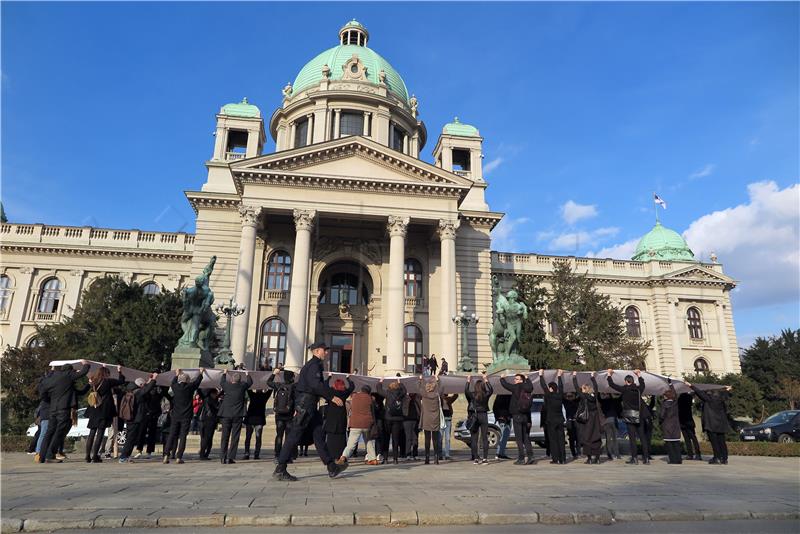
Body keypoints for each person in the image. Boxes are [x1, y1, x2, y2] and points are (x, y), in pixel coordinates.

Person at [272, 342, 348, 482]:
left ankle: (332, 467)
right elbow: (315, 385)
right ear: (316, 351)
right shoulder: (314, 365)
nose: (326, 353)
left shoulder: (313, 365)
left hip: (309, 404)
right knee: (294, 435)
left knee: (319, 435)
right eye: (324, 350)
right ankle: (280, 468)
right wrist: (331, 397)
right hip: (306, 405)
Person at [38, 361, 90, 464]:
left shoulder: (52, 378)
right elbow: (82, 373)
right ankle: (50, 455)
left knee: (50, 432)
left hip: (53, 409)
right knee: (60, 432)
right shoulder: (67, 375)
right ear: (70, 370)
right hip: (63, 409)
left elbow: (43, 392)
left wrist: (49, 399)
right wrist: (86, 364)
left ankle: (41, 456)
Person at [607, 369, 649, 465]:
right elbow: (643, 384)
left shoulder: (625, 389)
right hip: (640, 416)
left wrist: (609, 375)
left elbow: (612, 384)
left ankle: (634, 458)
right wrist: (639, 374)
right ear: (633, 381)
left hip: (630, 416)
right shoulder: (639, 389)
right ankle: (646, 458)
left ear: (626, 382)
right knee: (642, 437)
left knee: (632, 438)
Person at [84, 365, 126, 463]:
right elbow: (121, 381)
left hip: (94, 409)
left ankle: (87, 456)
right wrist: (120, 371)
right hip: (103, 410)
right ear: (106, 374)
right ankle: (95, 456)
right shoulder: (108, 381)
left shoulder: (93, 382)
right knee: (100, 433)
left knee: (92, 433)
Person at [163, 368, 204, 464]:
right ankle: (179, 457)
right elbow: (197, 382)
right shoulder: (190, 387)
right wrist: (201, 372)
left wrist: (177, 374)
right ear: (187, 381)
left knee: (172, 435)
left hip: (176, 415)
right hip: (186, 415)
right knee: (182, 436)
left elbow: (173, 381)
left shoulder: (175, 387)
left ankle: (166, 455)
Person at [686, 382, 733, 465]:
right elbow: (725, 394)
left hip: (711, 424)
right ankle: (724, 458)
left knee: (714, 442)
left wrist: (691, 385)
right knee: (722, 441)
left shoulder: (708, 399)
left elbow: (699, 392)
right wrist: (727, 389)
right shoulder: (721, 399)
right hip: (721, 424)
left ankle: (717, 457)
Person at [119, 374, 159, 463]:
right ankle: (123, 457)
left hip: (130, 418)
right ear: (141, 385)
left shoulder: (131, 391)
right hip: (135, 419)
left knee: (131, 438)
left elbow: (145, 388)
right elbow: (147, 389)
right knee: (130, 439)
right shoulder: (138, 393)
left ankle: (126, 456)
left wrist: (149, 380)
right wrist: (154, 379)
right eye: (143, 385)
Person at [218, 369, 253, 464]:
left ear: (231, 380)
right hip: (238, 414)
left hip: (226, 414)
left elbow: (222, 382)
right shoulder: (242, 386)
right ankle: (230, 457)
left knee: (224, 436)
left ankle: (222, 457)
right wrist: (247, 374)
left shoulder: (227, 385)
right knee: (235, 436)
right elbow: (250, 382)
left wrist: (225, 373)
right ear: (240, 380)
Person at [338, 384, 378, 465]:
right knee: (368, 442)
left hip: (355, 423)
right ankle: (373, 459)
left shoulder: (354, 397)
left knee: (351, 444)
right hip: (367, 424)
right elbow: (373, 412)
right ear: (369, 392)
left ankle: (343, 457)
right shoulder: (370, 398)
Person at [500, 373, 535, 465]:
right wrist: (527, 378)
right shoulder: (527, 388)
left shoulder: (517, 387)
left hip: (517, 415)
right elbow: (531, 386)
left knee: (519, 438)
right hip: (525, 416)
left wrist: (502, 378)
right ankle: (530, 456)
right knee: (526, 437)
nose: (514, 380)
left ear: (520, 380)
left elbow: (505, 385)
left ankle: (521, 458)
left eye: (516, 379)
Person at [572, 371, 603, 464]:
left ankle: (589, 458)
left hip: (587, 419)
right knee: (596, 438)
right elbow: (596, 388)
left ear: (584, 389)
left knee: (586, 438)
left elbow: (576, 388)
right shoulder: (594, 396)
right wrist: (593, 378)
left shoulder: (583, 396)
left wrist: (574, 377)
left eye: (582, 389)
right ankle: (597, 458)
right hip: (595, 419)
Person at [267, 368, 296, 463]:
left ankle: (277, 455)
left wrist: (274, 374)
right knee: (288, 436)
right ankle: (288, 456)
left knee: (279, 435)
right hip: (289, 415)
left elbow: (268, 382)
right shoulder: (293, 387)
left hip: (279, 415)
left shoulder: (279, 385)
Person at [465, 372, 494, 464]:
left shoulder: (473, 395)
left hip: (475, 415)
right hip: (483, 415)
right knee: (484, 437)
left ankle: (476, 458)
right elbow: (491, 390)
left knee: (474, 438)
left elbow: (466, 390)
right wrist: (486, 380)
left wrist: (468, 381)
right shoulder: (485, 395)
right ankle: (485, 458)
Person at [324, 377, 355, 461]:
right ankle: (340, 455)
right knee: (341, 438)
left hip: (331, 418)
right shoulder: (344, 393)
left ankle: (331, 455)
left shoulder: (331, 392)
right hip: (341, 418)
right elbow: (352, 387)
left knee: (331, 437)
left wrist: (328, 378)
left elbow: (325, 386)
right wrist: (348, 379)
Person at [377, 377, 406, 464]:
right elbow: (404, 390)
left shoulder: (388, 393)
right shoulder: (400, 394)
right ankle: (395, 459)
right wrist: (400, 383)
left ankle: (385, 459)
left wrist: (380, 382)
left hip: (388, 418)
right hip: (398, 419)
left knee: (386, 438)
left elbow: (379, 390)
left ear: (389, 387)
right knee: (395, 439)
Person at [540, 369, 566, 464]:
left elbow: (543, 386)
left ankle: (555, 459)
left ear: (551, 388)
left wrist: (540, 375)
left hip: (551, 421)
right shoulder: (560, 395)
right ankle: (563, 459)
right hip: (560, 420)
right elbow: (561, 387)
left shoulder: (548, 395)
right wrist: (559, 376)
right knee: (561, 439)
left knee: (553, 440)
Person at [135, 384, 166, 459]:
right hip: (148, 416)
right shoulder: (149, 395)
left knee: (146, 434)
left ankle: (142, 450)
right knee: (145, 434)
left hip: (150, 416)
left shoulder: (153, 395)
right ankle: (145, 451)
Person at [418, 376, 442, 465]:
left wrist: (420, 380)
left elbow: (419, 388)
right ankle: (436, 458)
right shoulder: (436, 395)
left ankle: (427, 458)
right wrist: (437, 381)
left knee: (427, 439)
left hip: (426, 419)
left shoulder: (424, 395)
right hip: (435, 419)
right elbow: (440, 388)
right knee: (435, 439)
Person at [243, 386, 272, 460]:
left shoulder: (252, 395)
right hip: (259, 420)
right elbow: (270, 390)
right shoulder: (264, 396)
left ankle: (247, 453)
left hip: (250, 419)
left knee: (248, 437)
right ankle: (256, 454)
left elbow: (248, 387)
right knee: (258, 438)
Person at [660, 381, 682, 464]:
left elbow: (662, 415)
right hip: (676, 425)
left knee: (669, 444)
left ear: (665, 396)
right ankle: (679, 459)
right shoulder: (675, 403)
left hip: (667, 425)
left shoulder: (664, 405)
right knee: (676, 443)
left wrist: (660, 421)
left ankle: (673, 460)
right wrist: (670, 384)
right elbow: (675, 394)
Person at [678, 392, 702, 460]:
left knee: (687, 439)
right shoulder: (689, 399)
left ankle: (690, 454)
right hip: (689, 421)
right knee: (693, 438)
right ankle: (697, 454)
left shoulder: (679, 400)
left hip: (682, 421)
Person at [599, 392, 622, 460]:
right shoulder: (615, 401)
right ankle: (617, 454)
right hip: (614, 421)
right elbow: (620, 399)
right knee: (615, 439)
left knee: (608, 439)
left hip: (606, 421)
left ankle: (609, 454)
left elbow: (599, 398)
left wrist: (599, 391)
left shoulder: (603, 401)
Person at [198, 387, 220, 460]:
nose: (216, 395)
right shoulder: (210, 400)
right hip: (209, 421)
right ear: (212, 394)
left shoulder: (207, 399)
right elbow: (216, 407)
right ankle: (203, 454)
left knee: (206, 438)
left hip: (206, 421)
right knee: (207, 438)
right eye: (216, 394)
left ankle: (204, 454)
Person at [402, 388, 421, 461]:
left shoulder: (418, 397)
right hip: (406, 420)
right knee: (408, 438)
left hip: (416, 420)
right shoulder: (405, 398)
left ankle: (415, 454)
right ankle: (408, 454)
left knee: (415, 438)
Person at [492, 393, 512, 460]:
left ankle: (501, 453)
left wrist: (497, 417)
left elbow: (494, 407)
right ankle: (499, 453)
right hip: (505, 418)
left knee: (504, 436)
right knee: (504, 436)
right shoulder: (508, 396)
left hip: (502, 418)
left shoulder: (499, 396)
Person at [439, 392, 458, 461]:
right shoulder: (439, 399)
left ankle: (447, 454)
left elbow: (456, 395)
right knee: (440, 438)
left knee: (447, 438)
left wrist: (453, 390)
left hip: (448, 419)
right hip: (441, 420)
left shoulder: (449, 399)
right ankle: (439, 454)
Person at [563, 391, 580, 459]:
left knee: (578, 438)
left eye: (571, 396)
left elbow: (579, 396)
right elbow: (562, 397)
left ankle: (578, 452)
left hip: (576, 421)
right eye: (568, 396)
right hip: (569, 422)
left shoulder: (576, 402)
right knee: (571, 439)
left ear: (574, 396)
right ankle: (574, 453)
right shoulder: (566, 402)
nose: (569, 397)